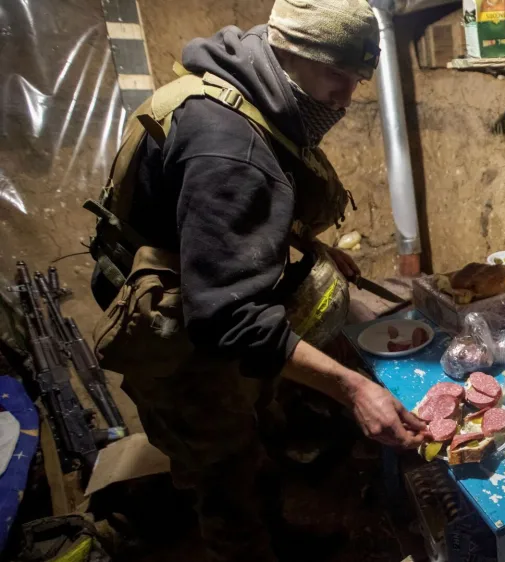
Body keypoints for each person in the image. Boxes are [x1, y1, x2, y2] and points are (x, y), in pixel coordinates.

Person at [84, 0, 426, 560]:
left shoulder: (245, 79)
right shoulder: (229, 142)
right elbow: (224, 319)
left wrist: (305, 245)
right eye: (337, 74)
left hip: (199, 279)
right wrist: (354, 387)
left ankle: (276, 531)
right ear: (290, 51)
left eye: (358, 78)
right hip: (172, 319)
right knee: (222, 465)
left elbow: (218, 214)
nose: (347, 94)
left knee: (256, 430)